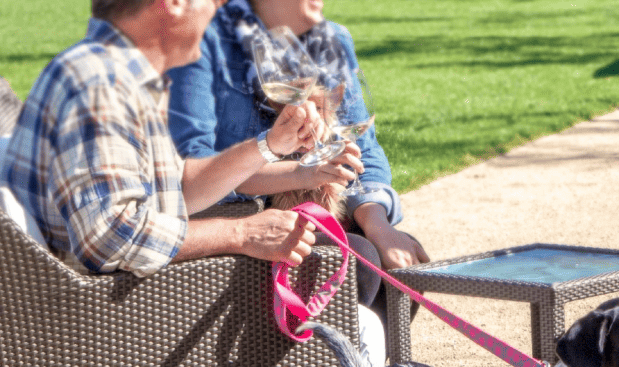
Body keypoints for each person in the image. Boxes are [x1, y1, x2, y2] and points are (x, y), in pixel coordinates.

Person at [0, 0, 339, 278]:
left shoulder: (114, 73)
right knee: (343, 299)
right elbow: (112, 237)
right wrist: (243, 234)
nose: (218, 12)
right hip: (106, 321)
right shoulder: (101, 88)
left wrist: (271, 145)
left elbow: (179, 185)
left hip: (117, 304)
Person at [165, 0, 428, 334]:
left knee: (403, 264)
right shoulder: (201, 47)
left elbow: (365, 149)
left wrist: (378, 224)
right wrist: (301, 172)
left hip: (313, 206)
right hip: (228, 218)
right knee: (356, 261)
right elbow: (196, 177)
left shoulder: (329, 40)